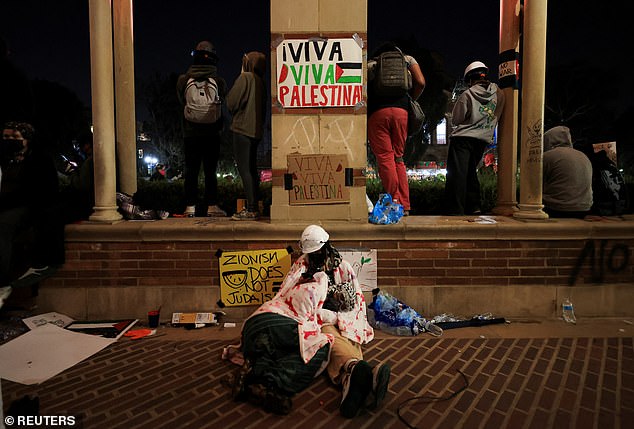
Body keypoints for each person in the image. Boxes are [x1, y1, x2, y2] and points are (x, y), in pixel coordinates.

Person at [231, 225, 389, 418]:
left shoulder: (343, 268)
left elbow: (353, 304)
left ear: (326, 246)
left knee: (337, 336)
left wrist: (335, 315)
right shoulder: (301, 266)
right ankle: (354, 371)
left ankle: (353, 374)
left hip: (333, 316)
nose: (314, 257)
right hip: (308, 318)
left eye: (317, 252)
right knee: (327, 341)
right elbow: (287, 294)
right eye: (311, 253)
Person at [1, 121, 64, 289]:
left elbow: (39, 191)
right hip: (7, 204)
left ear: (27, 139)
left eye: (15, 137)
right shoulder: (5, 159)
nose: (9, 140)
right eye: (6, 136)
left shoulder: (38, 159)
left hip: (26, 207)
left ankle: (2, 280)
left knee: (4, 226)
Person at [367, 42, 426, 217]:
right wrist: (410, 100)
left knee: (385, 158)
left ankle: (395, 203)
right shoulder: (407, 59)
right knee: (398, 158)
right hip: (402, 113)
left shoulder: (372, 64)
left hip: (378, 114)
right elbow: (421, 82)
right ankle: (406, 205)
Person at [444, 61, 505, 215]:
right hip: (482, 140)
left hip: (462, 140)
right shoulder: (499, 93)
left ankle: (455, 209)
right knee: (471, 172)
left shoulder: (467, 94)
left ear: (470, 79)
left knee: (457, 174)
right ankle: (474, 206)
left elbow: (456, 119)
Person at [176, 40, 227, 218]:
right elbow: (222, 104)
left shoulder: (183, 80)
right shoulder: (219, 81)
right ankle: (211, 205)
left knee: (191, 171)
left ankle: (190, 206)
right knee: (210, 171)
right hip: (212, 134)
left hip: (190, 134)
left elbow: (181, 103)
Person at [226, 51, 267, 221]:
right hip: (256, 132)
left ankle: (250, 209)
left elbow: (231, 102)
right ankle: (254, 206)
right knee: (251, 169)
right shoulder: (261, 82)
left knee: (244, 170)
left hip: (242, 129)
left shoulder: (245, 78)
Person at [542, 125, 593, 218]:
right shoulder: (583, 156)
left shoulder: (547, 156)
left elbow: (534, 187)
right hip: (584, 208)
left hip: (557, 208)